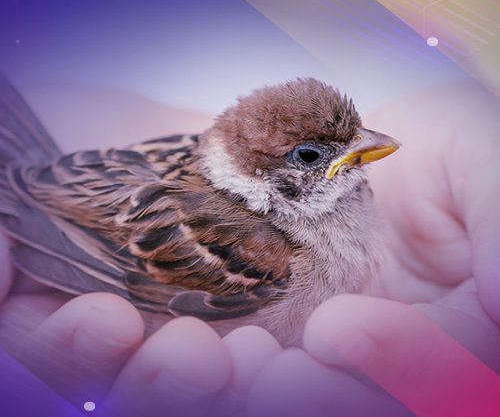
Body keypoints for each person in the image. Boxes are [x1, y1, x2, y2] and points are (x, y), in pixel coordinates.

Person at [0, 79, 499, 416]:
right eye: (311, 156)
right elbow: (114, 257)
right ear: (268, 177)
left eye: (356, 137)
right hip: (75, 215)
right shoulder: (264, 248)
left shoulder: (345, 196)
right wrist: (25, 201)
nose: (369, 145)